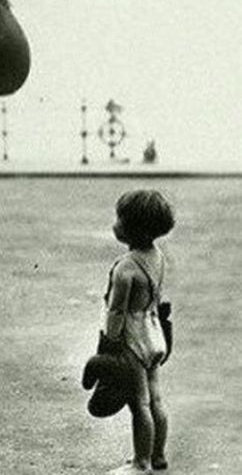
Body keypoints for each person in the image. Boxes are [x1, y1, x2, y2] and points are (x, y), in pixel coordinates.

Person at [104, 189, 175, 475]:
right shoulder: (157, 256)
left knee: (139, 402)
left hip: (133, 338)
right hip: (154, 333)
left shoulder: (126, 267)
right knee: (155, 398)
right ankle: (158, 456)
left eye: (119, 219)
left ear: (133, 228)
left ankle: (141, 462)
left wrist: (111, 340)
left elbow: (117, 311)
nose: (115, 224)